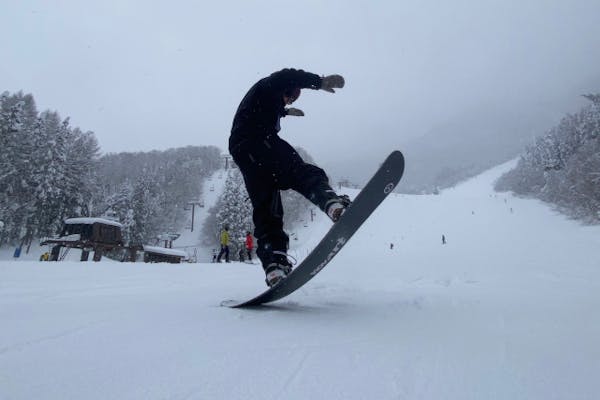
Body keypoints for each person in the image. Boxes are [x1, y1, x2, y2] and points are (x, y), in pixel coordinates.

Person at [229, 68, 351, 287]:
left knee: (266, 209)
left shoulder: (266, 102)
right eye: (289, 97)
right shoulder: (268, 85)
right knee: (301, 172)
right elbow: (286, 75)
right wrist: (318, 82)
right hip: (259, 142)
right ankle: (332, 204)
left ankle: (275, 266)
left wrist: (284, 112)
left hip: (243, 153)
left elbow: (263, 107)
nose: (288, 101)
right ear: (284, 90)